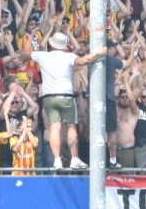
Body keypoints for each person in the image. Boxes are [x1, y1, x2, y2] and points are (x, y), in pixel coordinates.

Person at [31, 32, 105, 170]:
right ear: (64, 46)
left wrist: (31, 36)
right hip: (66, 96)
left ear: (51, 44)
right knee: (71, 127)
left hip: (49, 97)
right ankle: (74, 159)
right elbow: (84, 60)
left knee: (54, 127)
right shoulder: (69, 56)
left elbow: (25, 53)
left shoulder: (43, 55)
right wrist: (99, 52)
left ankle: (57, 160)